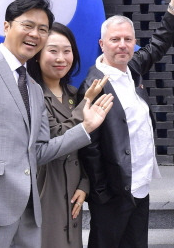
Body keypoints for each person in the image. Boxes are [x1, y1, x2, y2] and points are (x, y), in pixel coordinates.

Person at [0, 0, 114, 247]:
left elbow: (38, 152)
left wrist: (86, 127)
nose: (35, 34)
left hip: (28, 214)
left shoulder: (33, 88)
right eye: (27, 25)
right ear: (6, 26)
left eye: (42, 29)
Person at [79, 0, 174, 248]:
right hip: (113, 191)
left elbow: (159, 44)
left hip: (140, 185)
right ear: (102, 44)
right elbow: (89, 147)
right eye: (115, 40)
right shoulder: (93, 85)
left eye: (128, 39)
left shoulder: (132, 69)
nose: (122, 45)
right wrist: (100, 192)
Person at [27, 22, 109, 248]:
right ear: (37, 54)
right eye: (52, 51)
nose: (61, 58)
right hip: (45, 186)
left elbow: (87, 148)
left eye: (67, 50)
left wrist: (84, 184)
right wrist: (86, 106)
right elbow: (58, 137)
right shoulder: (31, 94)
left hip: (73, 187)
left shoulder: (74, 94)